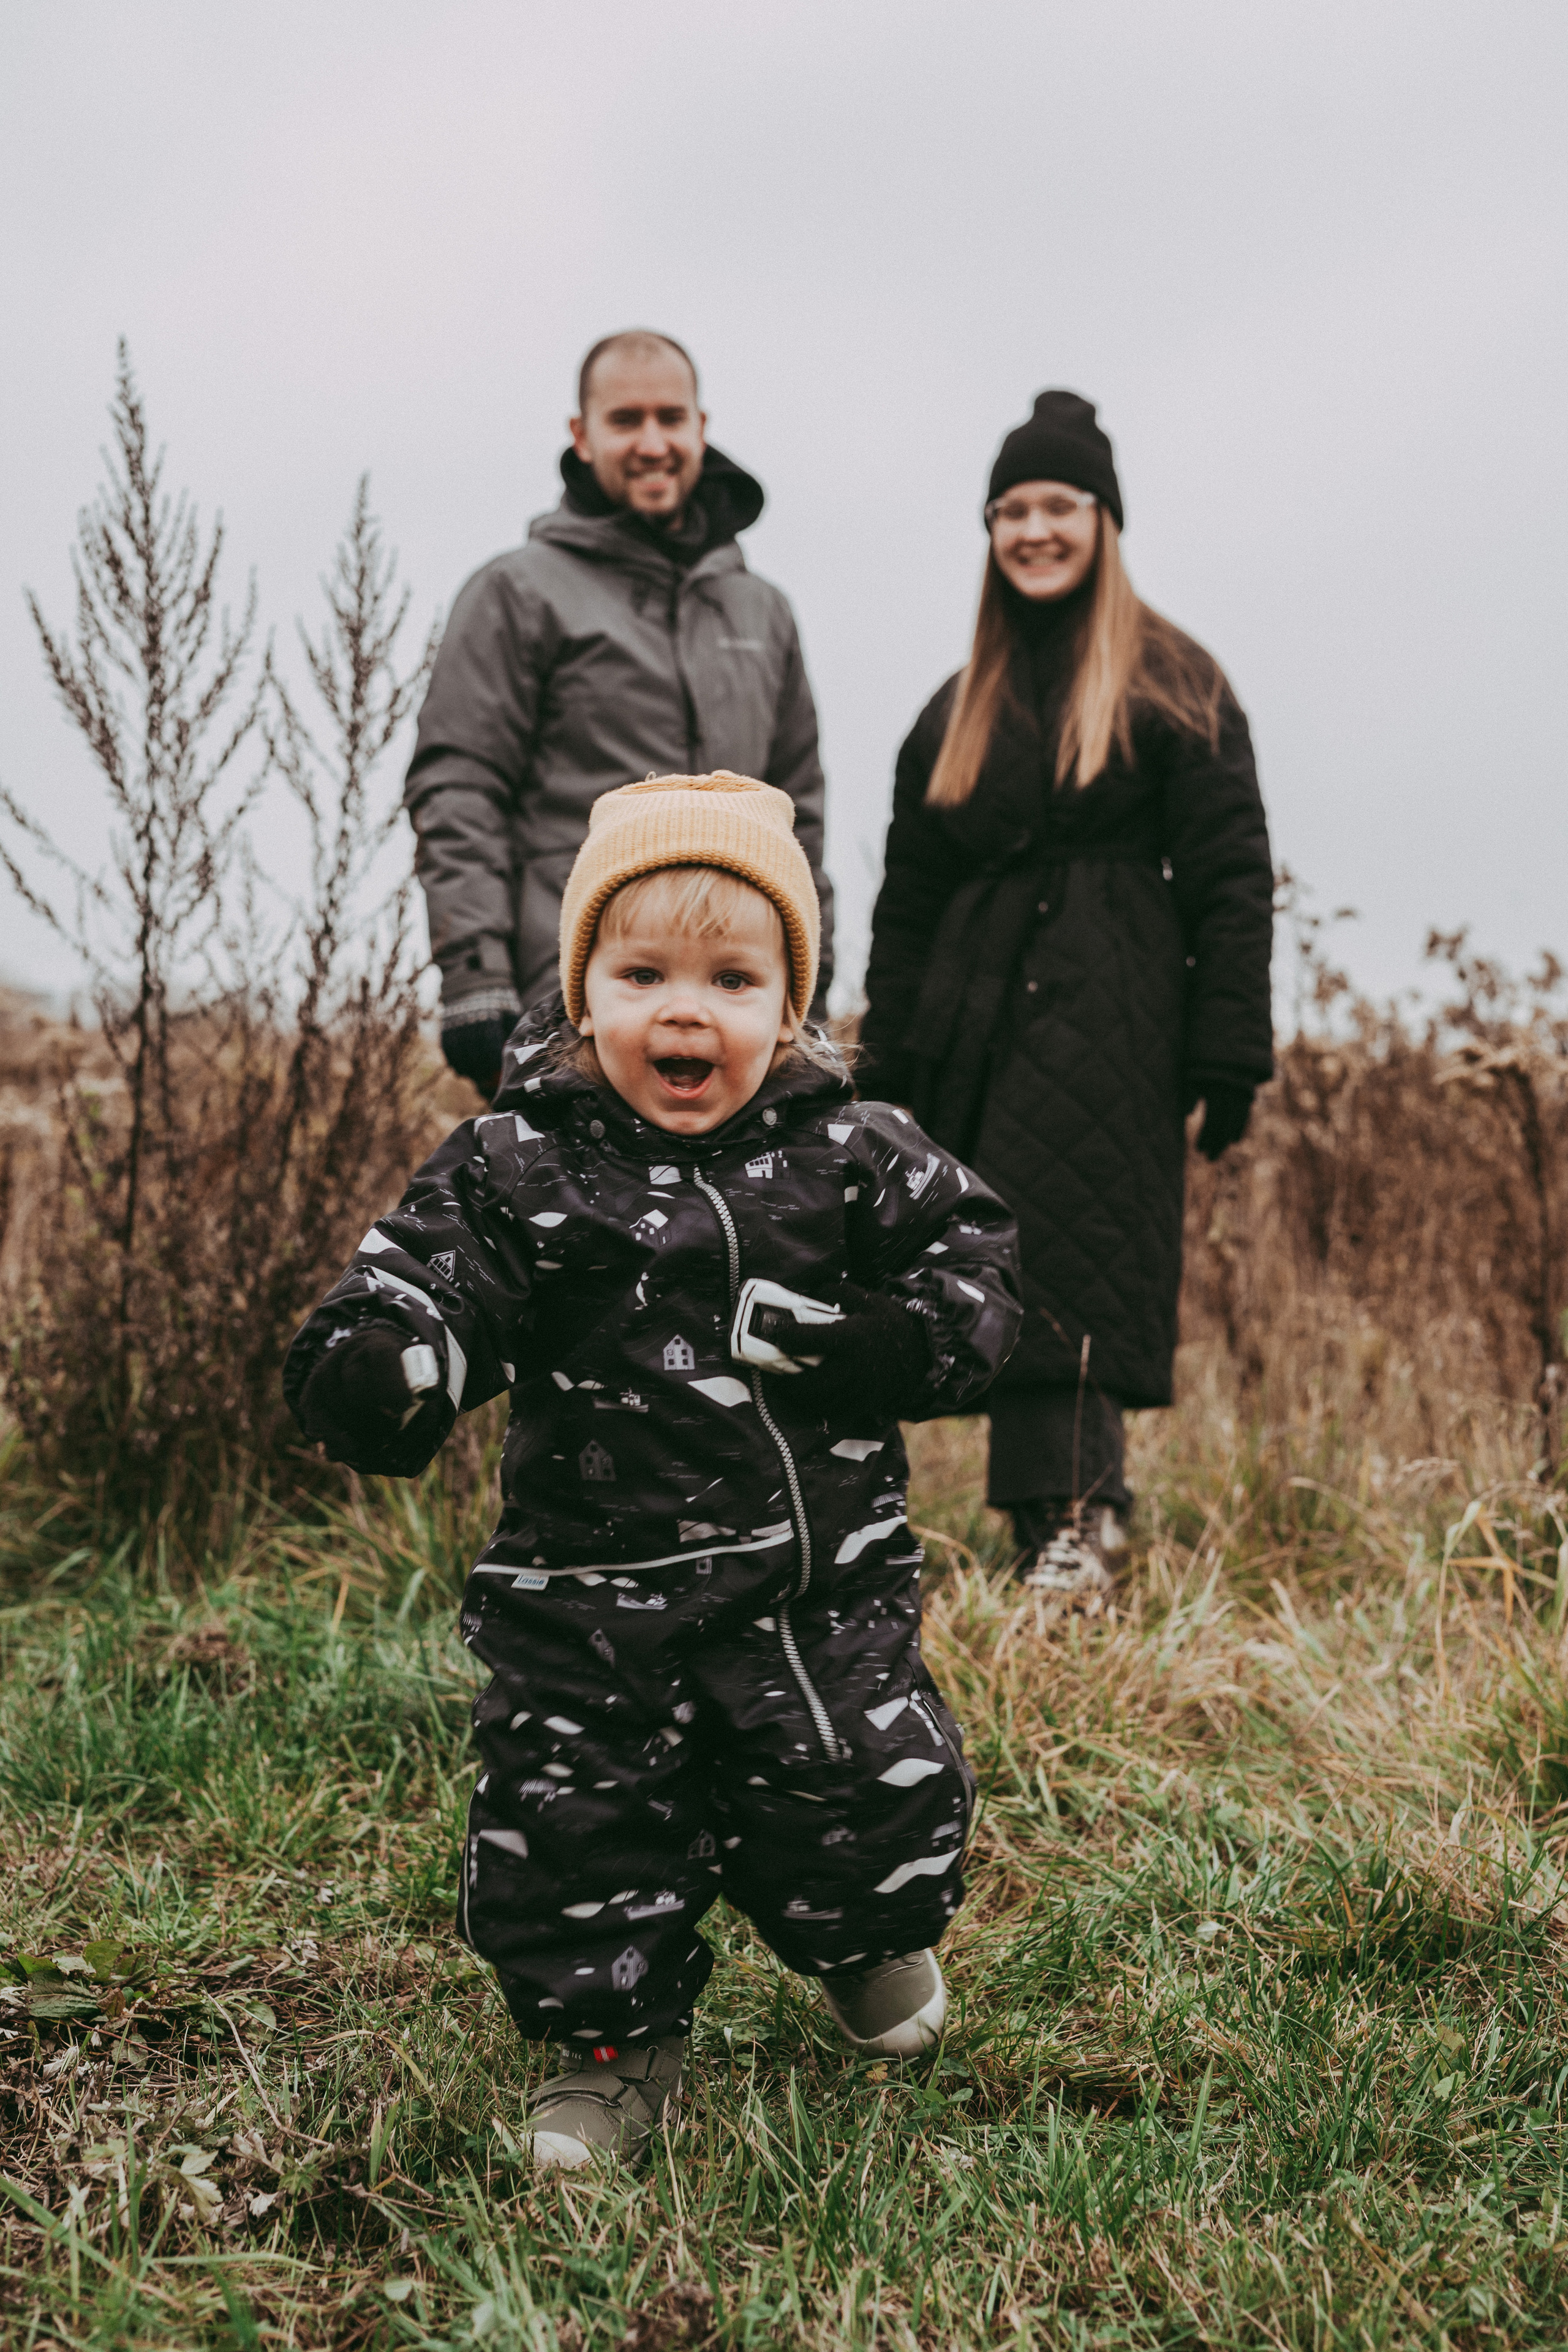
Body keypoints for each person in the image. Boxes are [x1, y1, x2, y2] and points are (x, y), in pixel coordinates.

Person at [285, 771, 1020, 2168]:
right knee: (579, 1827)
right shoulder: (521, 1166)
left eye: (732, 976)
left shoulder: (851, 1157)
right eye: (641, 971)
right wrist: (391, 1356)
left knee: (856, 1795)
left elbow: (973, 1271)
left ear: (787, 1004)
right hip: (587, 1603)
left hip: (811, 1595)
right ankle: (606, 2049)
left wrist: (887, 1344)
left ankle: (867, 1939)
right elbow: (429, 1272)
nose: (686, 1008)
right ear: (580, 994)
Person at [859, 391, 1273, 1606]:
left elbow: (1228, 876)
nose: (1031, 530)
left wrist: (1226, 1054)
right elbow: (905, 892)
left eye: (1055, 505)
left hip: (1113, 1020)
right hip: (969, 1025)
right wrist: (884, 1054)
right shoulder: (954, 707)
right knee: (976, 1269)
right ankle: (1020, 1525)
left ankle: (1077, 1530)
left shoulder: (1174, 683)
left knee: (1074, 1266)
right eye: (1009, 511)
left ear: (1102, 520)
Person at [404, 330, 835, 1099]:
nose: (652, 442)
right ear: (581, 435)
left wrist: (812, 978)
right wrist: (476, 978)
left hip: (734, 1024)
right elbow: (460, 790)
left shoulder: (762, 611)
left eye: (670, 419)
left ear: (702, 426)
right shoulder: (517, 594)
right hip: (565, 1010)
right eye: (625, 420)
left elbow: (799, 812)